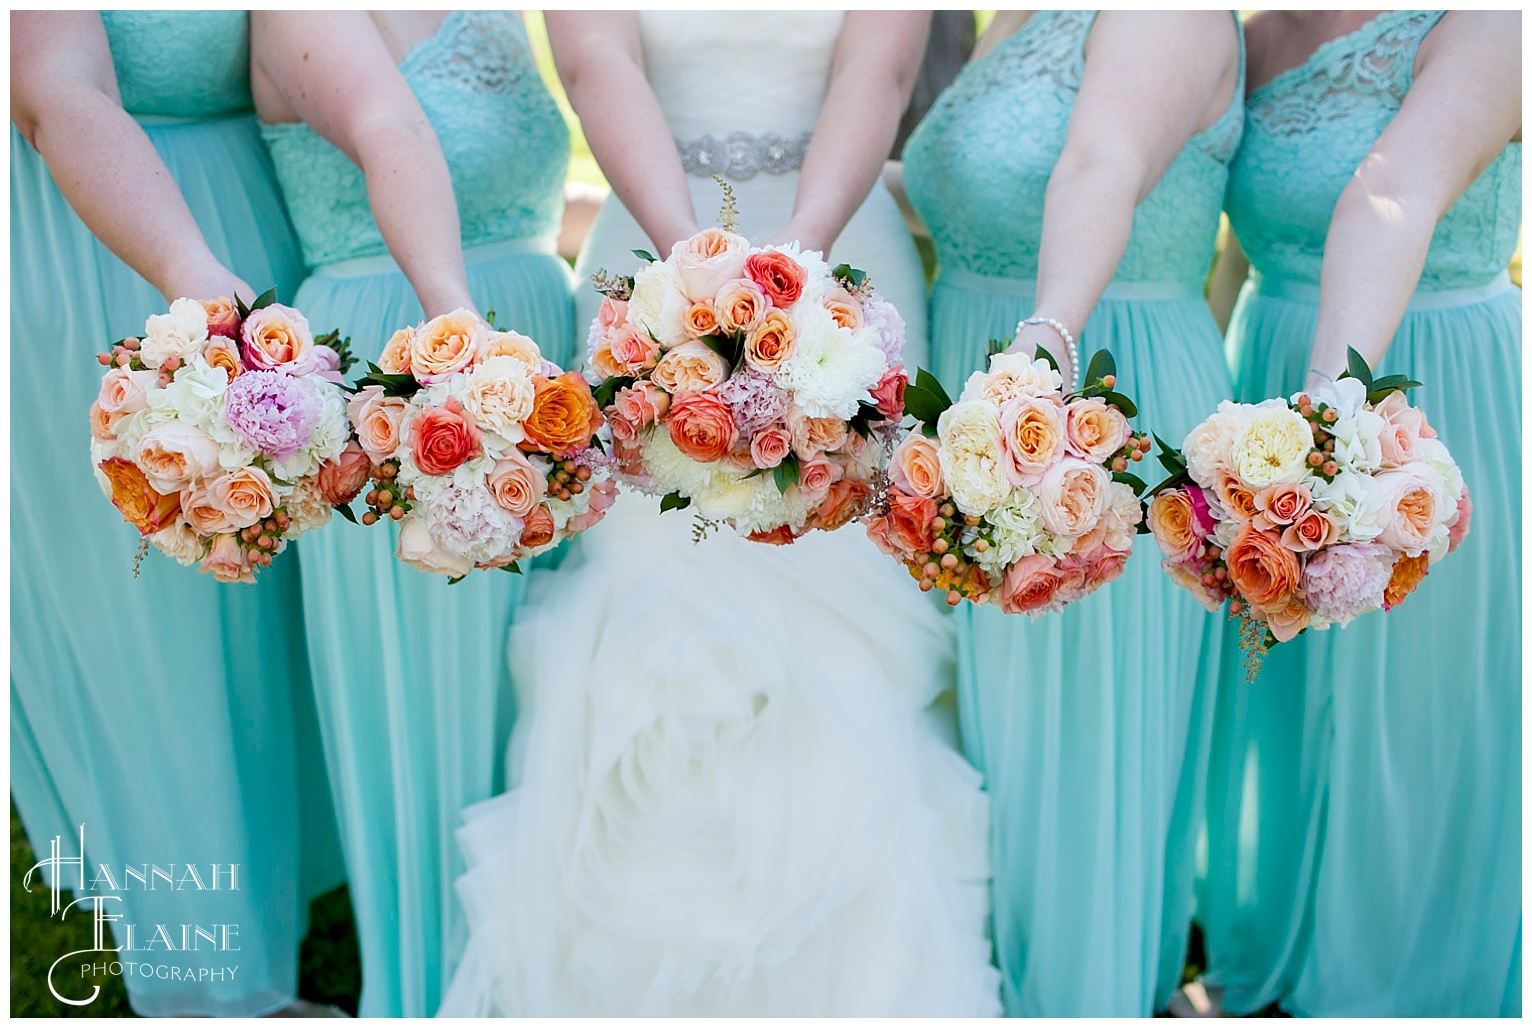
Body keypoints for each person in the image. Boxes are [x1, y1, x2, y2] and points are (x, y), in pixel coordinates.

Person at [437, 11, 1001, 1015]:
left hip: (843, 255)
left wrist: (797, 278)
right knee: (656, 591)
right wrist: (687, 276)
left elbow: (878, 66)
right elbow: (592, 58)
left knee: (840, 599)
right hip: (645, 255)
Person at [899, 10, 1242, 1015]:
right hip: (977, 387)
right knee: (987, 741)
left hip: (1094, 387)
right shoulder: (1013, 14)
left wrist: (1036, 367)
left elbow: (1099, 161)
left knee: (1072, 756)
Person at [10, 10, 340, 1017]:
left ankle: (288, 904)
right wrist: (195, 282)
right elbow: (55, 87)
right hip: (104, 237)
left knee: (265, 628)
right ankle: (213, 987)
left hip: (261, 220)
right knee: (153, 642)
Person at [249, 10, 575, 1017]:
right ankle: (436, 991)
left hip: (532, 346)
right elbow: (391, 128)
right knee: (434, 720)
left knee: (548, 697)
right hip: (404, 363)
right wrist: (464, 344)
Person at [1198, 10, 1521, 1016]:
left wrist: (1327, 431)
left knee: (1418, 701)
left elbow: (1393, 191)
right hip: (1270, 378)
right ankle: (1277, 955)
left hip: (1417, 394)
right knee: (1279, 688)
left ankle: (1408, 979)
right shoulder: (1252, 33)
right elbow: (1227, 251)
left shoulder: (1486, 24)